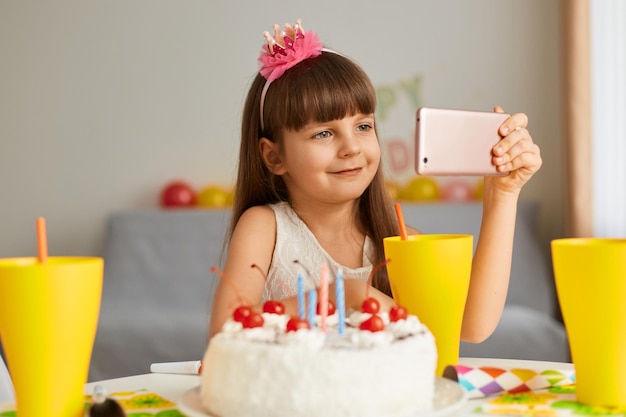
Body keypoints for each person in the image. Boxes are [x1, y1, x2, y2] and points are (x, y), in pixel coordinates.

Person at [208, 20, 542, 340]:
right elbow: (226, 331)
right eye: (323, 133)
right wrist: (343, 296)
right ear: (274, 157)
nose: (351, 147)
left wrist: (503, 193)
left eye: (363, 126)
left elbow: (470, 325)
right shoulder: (265, 228)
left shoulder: (399, 240)